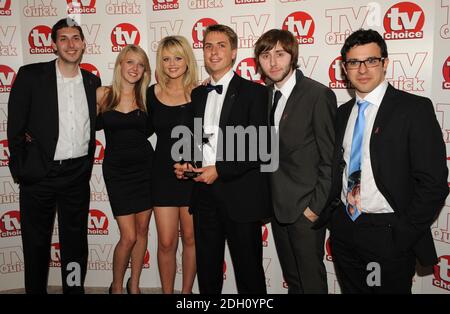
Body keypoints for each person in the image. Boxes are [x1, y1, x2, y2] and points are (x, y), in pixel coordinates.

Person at [314, 29, 448, 293]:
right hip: (345, 231)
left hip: (387, 234)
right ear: (344, 68)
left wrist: (401, 235)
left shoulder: (413, 109)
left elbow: (433, 184)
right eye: (354, 62)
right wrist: (334, 220)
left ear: (385, 63)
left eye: (371, 60)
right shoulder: (342, 113)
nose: (362, 69)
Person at [174, 24, 272, 294]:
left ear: (233, 53)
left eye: (221, 46)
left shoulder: (256, 92)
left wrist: (219, 169)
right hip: (203, 194)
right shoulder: (197, 94)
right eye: (208, 46)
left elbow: (259, 148)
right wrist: (187, 164)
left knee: (249, 271)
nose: (214, 51)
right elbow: (197, 141)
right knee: (207, 270)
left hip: (240, 195)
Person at [7, 18, 101, 294]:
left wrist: (84, 168)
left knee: (74, 244)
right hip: (39, 176)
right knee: (36, 243)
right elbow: (15, 128)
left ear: (83, 43)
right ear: (53, 45)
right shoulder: (31, 76)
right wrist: (24, 168)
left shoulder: (92, 81)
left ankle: (73, 290)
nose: (70, 44)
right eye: (63, 38)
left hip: (76, 176)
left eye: (75, 38)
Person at [254, 29, 336, 294]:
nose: (273, 62)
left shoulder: (317, 95)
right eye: (266, 55)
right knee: (294, 281)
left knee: (311, 284)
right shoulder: (265, 96)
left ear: (293, 56)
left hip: (306, 209)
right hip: (278, 209)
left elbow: (330, 158)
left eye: (280, 54)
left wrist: (315, 208)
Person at [96, 44, 153, 294]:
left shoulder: (148, 98)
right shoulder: (103, 95)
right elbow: (76, 120)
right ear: (120, 64)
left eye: (140, 64)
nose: (135, 68)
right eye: (130, 62)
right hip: (117, 172)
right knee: (128, 236)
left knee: (142, 231)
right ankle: (117, 286)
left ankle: (136, 285)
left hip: (145, 169)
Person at [147, 35, 198, 294]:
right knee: (166, 242)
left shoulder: (200, 92)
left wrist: (196, 166)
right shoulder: (150, 93)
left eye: (178, 57)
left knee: (190, 239)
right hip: (162, 175)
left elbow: (209, 136)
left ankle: (186, 294)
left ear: (187, 60)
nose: (172, 63)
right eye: (166, 59)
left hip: (192, 175)